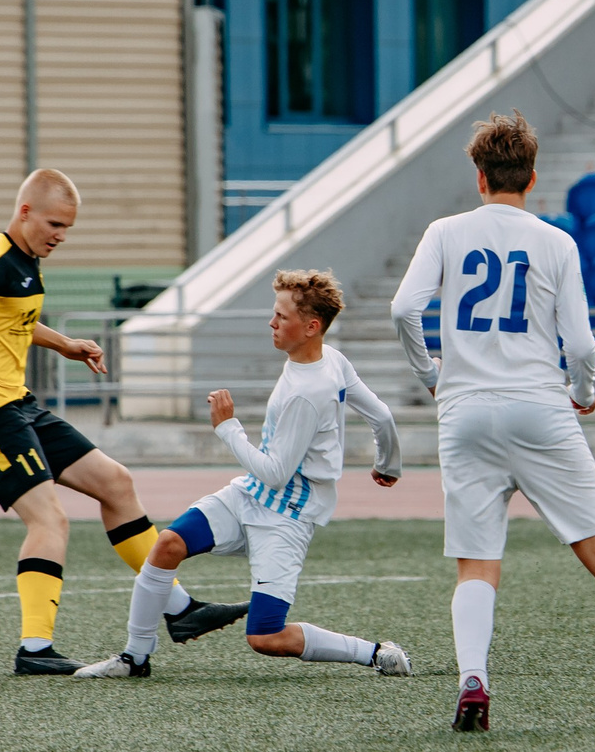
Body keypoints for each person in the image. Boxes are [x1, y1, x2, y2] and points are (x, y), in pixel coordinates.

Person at [389, 112, 595, 732]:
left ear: (480, 177)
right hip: (540, 407)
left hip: (464, 413)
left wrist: (431, 376)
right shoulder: (556, 242)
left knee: (476, 563)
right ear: (533, 177)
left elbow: (403, 309)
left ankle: (473, 680)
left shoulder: (444, 232)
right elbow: (583, 344)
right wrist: (583, 391)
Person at [0, 170, 237, 674]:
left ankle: (179, 609)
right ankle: (34, 650)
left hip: (16, 402)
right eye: (54, 224)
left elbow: (11, 321)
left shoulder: (26, 260)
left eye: (67, 227)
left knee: (115, 482)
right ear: (25, 212)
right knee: (49, 519)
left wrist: (64, 343)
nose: (61, 236)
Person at [79, 270, 409, 681]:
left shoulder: (308, 393)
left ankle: (375, 653)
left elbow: (276, 473)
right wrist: (388, 465)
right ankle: (134, 658)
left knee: (266, 637)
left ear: (311, 327)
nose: (272, 323)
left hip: (285, 517)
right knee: (167, 545)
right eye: (274, 313)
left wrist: (227, 428)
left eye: (281, 317)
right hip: (249, 496)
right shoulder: (331, 359)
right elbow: (381, 415)